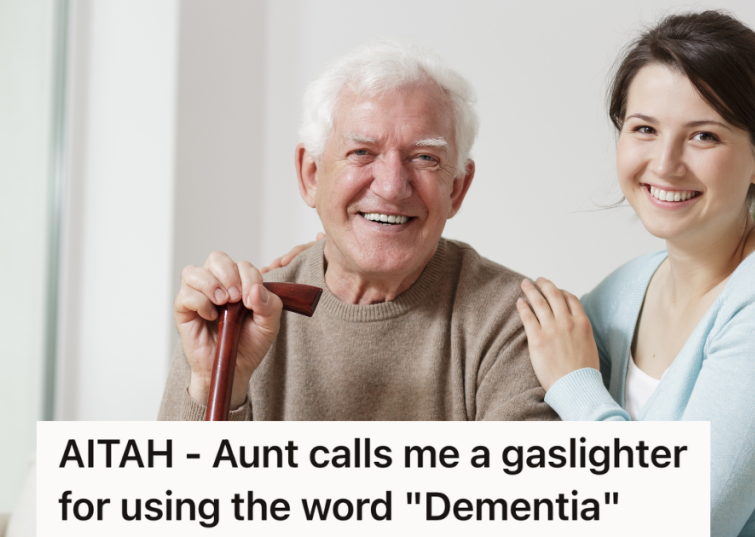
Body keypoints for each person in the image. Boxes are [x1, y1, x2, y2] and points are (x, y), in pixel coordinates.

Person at [514, 11, 755, 537]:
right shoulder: (622, 292)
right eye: (644, 129)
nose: (665, 164)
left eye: (703, 136)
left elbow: (684, 522)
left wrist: (577, 388)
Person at [157, 40, 556, 421]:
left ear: (456, 189)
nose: (391, 185)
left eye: (424, 158)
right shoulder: (236, 318)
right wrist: (215, 385)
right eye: (362, 152)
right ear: (310, 174)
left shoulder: (516, 322)